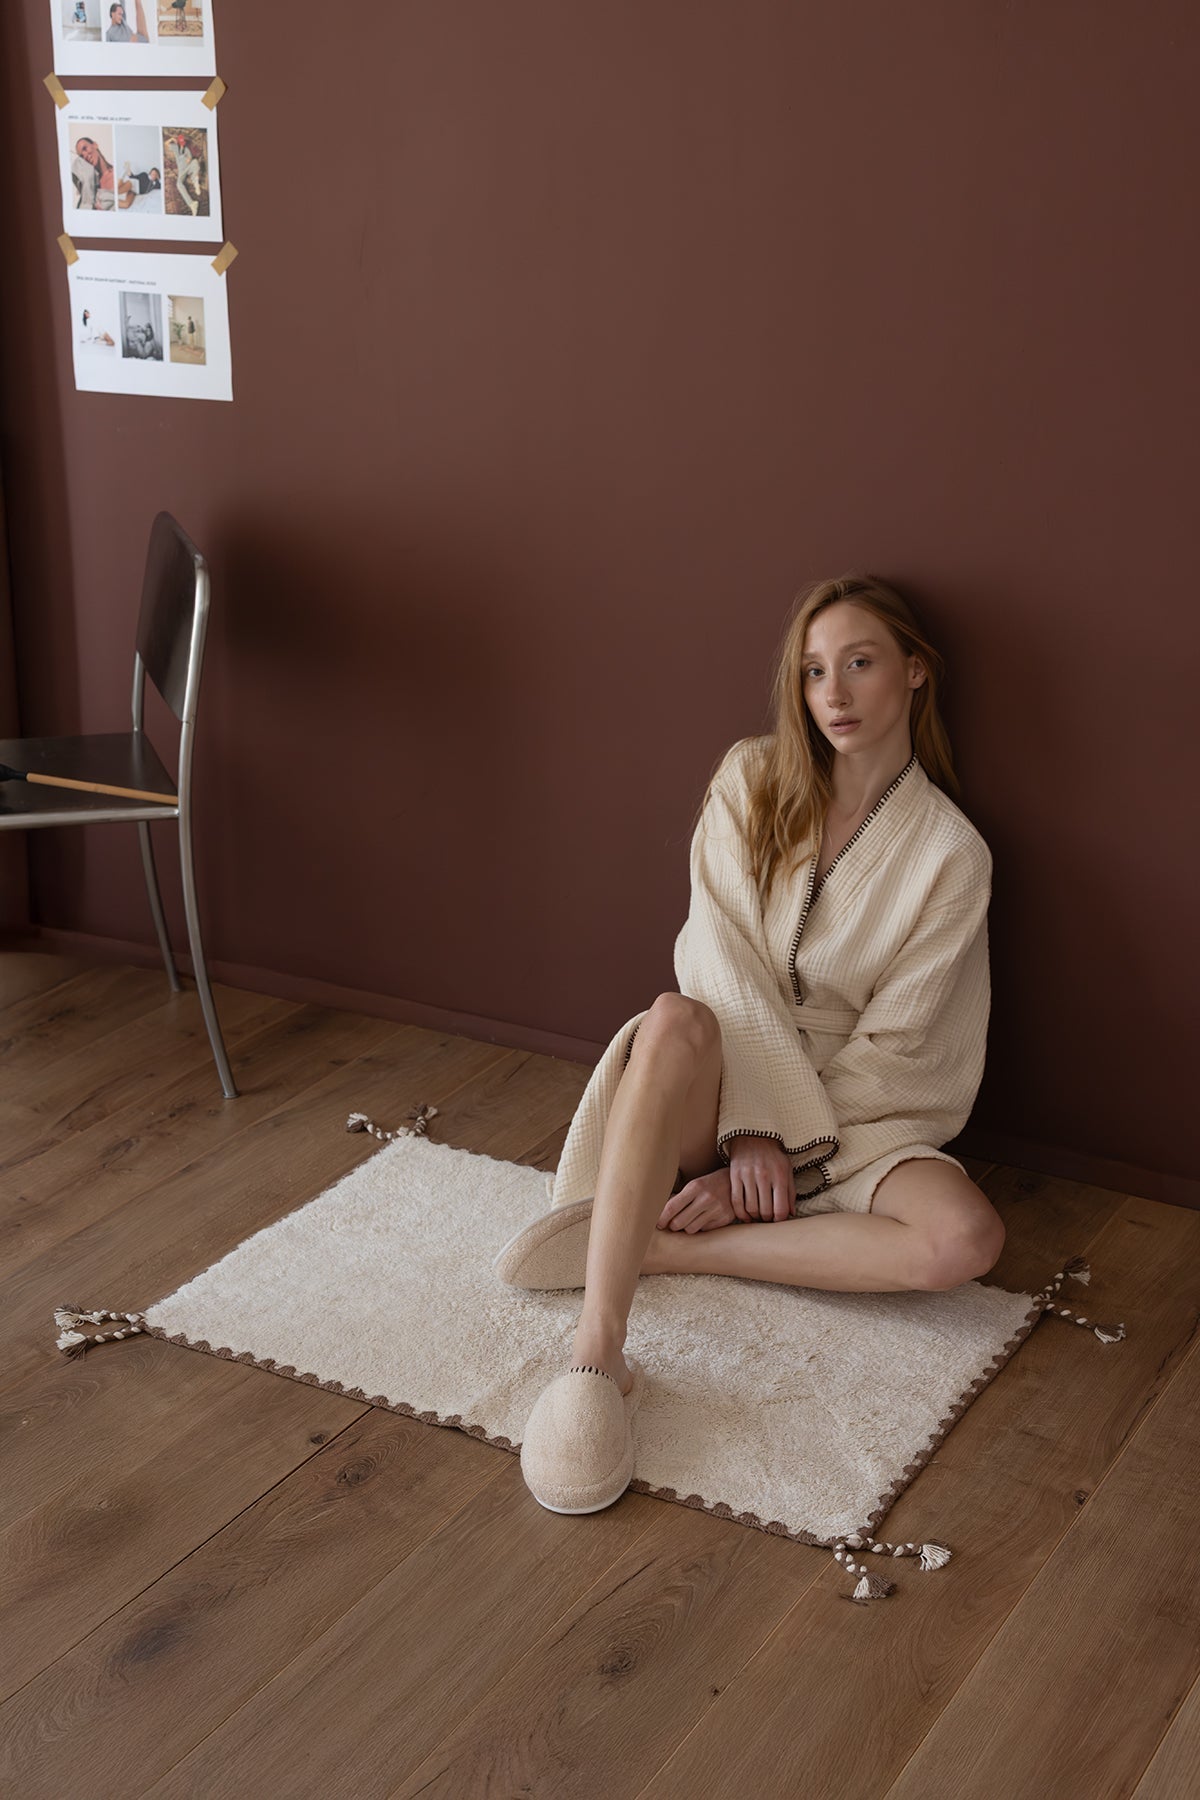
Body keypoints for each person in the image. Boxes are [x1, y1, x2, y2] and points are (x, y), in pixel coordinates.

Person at [496, 573, 1004, 1515]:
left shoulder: (951, 855)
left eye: (859, 663)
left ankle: (665, 1249)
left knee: (965, 1240)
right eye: (814, 672)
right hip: (722, 1079)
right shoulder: (751, 779)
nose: (834, 695)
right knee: (672, 1017)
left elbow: (902, 1048)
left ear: (915, 671)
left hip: (860, 1112)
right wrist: (753, 1126)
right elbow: (715, 956)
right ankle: (598, 1355)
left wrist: (775, 1163)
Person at [72, 137, 117, 210]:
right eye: (82, 156)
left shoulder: (119, 172)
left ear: (95, 145)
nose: (85, 156)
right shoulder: (92, 188)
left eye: (85, 148)